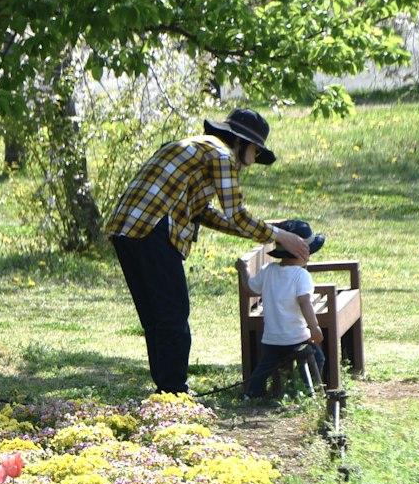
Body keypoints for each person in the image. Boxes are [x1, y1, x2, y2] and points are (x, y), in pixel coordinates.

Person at [106, 107, 309, 395]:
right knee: (174, 315)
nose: (250, 164)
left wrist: (270, 230)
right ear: (243, 143)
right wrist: (278, 236)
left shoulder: (201, 150)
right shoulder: (222, 154)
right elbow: (236, 214)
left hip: (126, 228)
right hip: (152, 227)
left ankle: (167, 392)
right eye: (255, 153)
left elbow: (206, 214)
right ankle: (175, 394)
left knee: (157, 317)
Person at [242, 219, 326, 400]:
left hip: (272, 339)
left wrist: (243, 270)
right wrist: (314, 327)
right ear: (303, 254)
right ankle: (306, 391)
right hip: (298, 337)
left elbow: (250, 287)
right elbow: (305, 302)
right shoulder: (301, 275)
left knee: (264, 367)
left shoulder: (268, 270)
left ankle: (252, 394)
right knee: (317, 358)